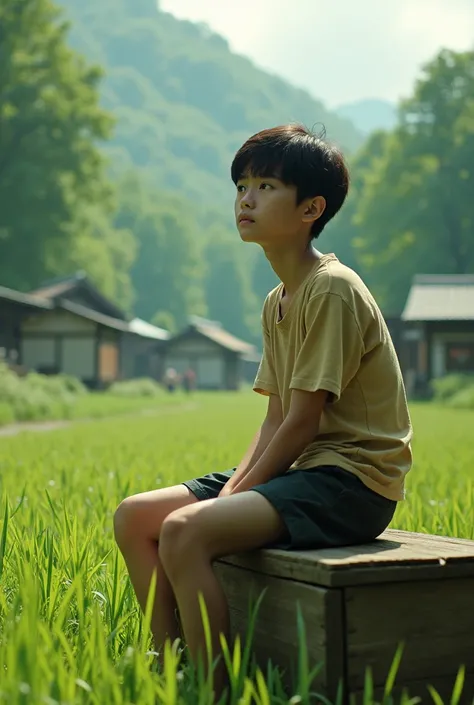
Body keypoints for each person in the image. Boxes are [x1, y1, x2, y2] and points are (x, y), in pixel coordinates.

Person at [113, 124, 413, 695]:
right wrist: (240, 485)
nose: (246, 199)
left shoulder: (333, 289)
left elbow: (304, 420)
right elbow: (275, 416)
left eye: (267, 185)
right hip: (307, 473)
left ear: (312, 208)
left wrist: (239, 491)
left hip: (353, 484)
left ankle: (213, 686)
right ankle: (167, 662)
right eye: (242, 185)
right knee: (135, 516)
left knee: (183, 532)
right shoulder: (279, 300)